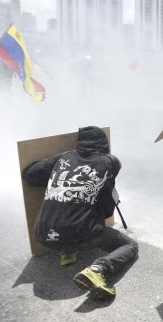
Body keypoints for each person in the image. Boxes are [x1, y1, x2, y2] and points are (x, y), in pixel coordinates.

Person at [22, 126, 138, 300]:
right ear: (103, 145)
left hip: (42, 234)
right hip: (79, 234)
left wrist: (58, 173)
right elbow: (106, 211)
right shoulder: (110, 162)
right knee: (129, 246)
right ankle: (98, 269)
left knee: (70, 217)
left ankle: (67, 251)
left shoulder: (62, 158)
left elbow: (29, 175)